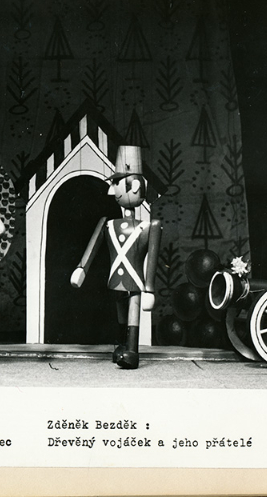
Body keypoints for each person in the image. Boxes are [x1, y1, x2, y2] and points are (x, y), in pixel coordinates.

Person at [70, 146, 162, 369]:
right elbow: (93, 246)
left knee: (133, 308)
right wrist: (82, 268)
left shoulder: (150, 227)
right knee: (120, 310)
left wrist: (149, 289)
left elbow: (152, 259)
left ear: (136, 186)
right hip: (117, 278)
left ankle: (132, 350)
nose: (112, 191)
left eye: (117, 184)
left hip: (136, 280)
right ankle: (121, 346)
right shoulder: (108, 223)